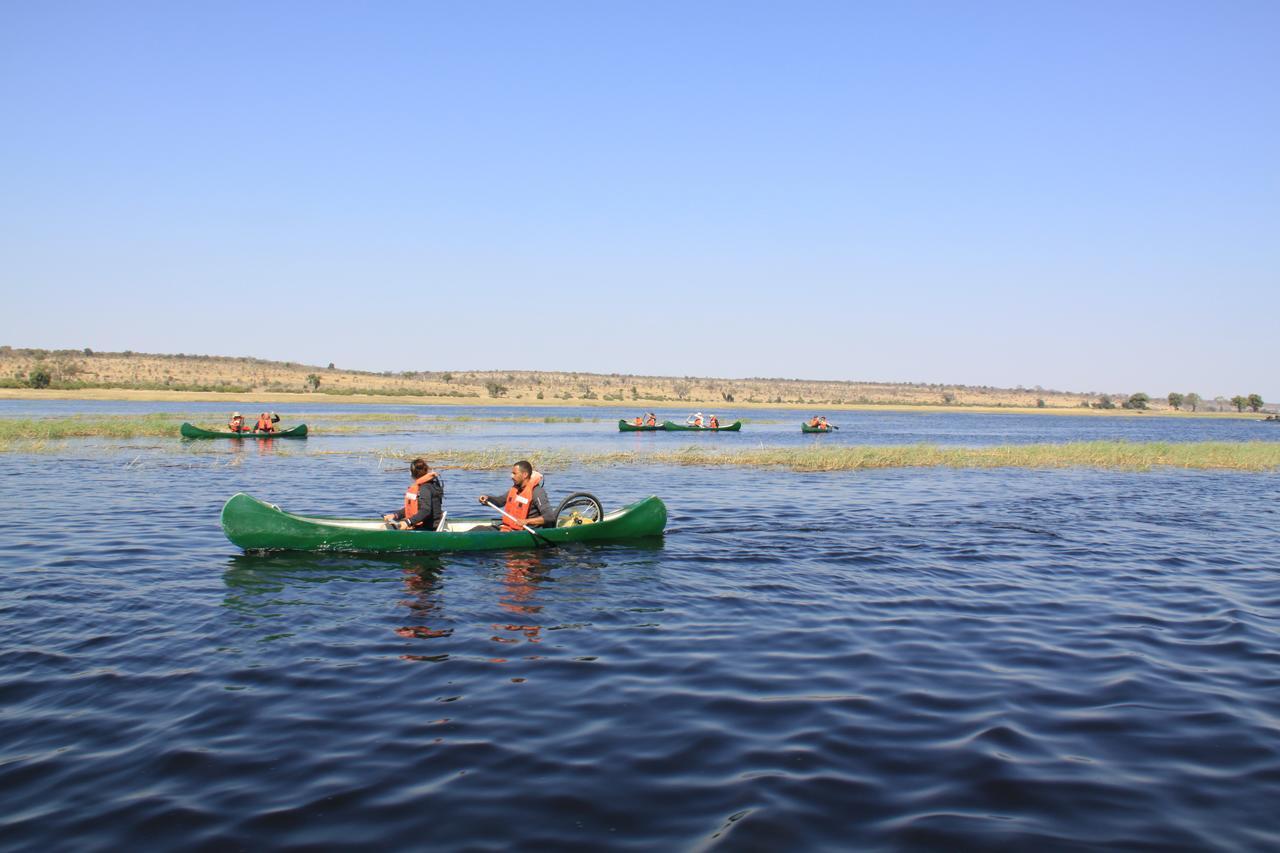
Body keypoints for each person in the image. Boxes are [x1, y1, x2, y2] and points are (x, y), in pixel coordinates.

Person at [478, 460, 555, 530]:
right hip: (508, 528)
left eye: (514, 473)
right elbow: (500, 501)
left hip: (525, 531)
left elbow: (549, 517)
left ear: (525, 474)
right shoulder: (516, 489)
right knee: (479, 529)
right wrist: (488, 499)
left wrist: (526, 521)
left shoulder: (537, 492)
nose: (511, 476)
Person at [384, 458, 443, 531]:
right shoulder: (427, 485)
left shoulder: (425, 488)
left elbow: (425, 510)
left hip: (428, 528)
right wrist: (395, 515)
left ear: (411, 473)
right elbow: (412, 507)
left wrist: (408, 522)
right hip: (422, 525)